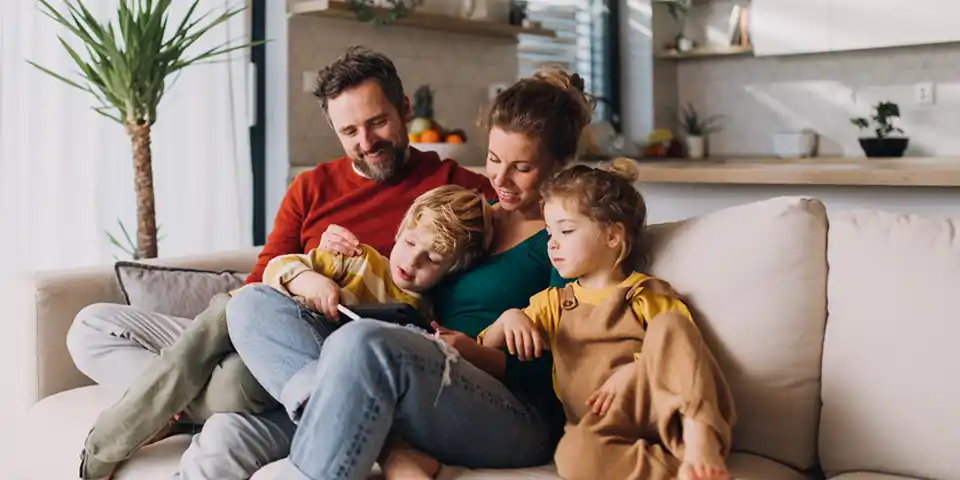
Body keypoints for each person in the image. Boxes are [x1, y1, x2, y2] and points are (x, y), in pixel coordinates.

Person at [65, 45, 493, 479]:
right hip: (260, 322)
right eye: (350, 131)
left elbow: (515, 240)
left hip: (324, 360)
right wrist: (306, 271)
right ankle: (178, 400)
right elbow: (259, 280)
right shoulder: (311, 187)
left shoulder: (456, 191)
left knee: (235, 390)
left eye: (377, 122)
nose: (366, 143)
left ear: (403, 109)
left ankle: (149, 416)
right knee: (92, 328)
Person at [228, 67, 595, 480]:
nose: (501, 180)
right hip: (424, 379)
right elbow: (407, 276)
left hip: (515, 412)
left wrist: (481, 355)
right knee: (252, 303)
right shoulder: (469, 218)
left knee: (364, 341)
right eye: (493, 159)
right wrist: (330, 263)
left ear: (560, 163)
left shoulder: (565, 239)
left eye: (522, 168)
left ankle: (335, 434)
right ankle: (344, 410)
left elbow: (574, 367)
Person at [76, 185, 490, 478]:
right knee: (93, 326)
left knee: (238, 381)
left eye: (431, 258)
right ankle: (173, 408)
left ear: (451, 269)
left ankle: (160, 410)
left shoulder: (422, 318)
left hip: (278, 377)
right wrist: (310, 282)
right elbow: (279, 267)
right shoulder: (358, 259)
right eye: (410, 243)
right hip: (248, 326)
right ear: (400, 230)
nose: (412, 260)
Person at [480, 159, 737, 480]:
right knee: (572, 454)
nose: (552, 243)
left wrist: (637, 369)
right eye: (549, 232)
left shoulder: (645, 293)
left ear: (612, 236)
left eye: (566, 230)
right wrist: (509, 318)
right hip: (602, 424)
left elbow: (686, 352)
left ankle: (701, 442)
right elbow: (485, 346)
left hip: (662, 406)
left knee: (671, 325)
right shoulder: (553, 304)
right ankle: (684, 468)